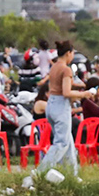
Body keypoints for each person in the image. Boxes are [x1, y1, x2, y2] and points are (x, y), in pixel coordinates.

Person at [37, 40, 83, 175]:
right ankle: (40, 172)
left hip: (51, 105)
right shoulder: (66, 69)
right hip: (61, 107)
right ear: (69, 53)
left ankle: (72, 175)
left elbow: (60, 86)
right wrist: (85, 94)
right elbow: (66, 92)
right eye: (73, 53)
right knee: (61, 143)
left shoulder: (54, 67)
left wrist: (79, 87)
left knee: (68, 141)